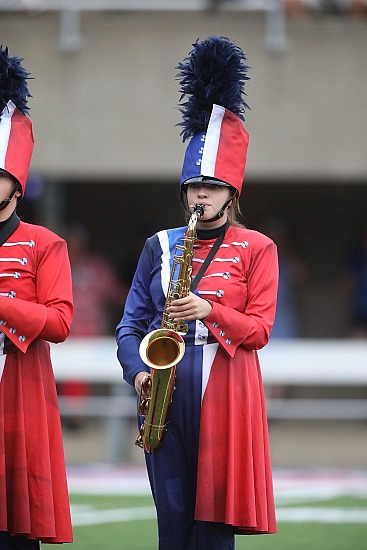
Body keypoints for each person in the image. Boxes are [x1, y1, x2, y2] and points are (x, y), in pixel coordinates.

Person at [116, 36, 278, 549]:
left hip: (225, 393)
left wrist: (210, 309)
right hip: (165, 393)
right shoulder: (159, 246)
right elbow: (130, 325)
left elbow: (260, 329)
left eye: (211, 186)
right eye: (193, 186)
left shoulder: (258, 247)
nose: (201, 195)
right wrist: (139, 372)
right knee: (172, 523)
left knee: (211, 531)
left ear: (232, 192)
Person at [0, 47, 73, 547]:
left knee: (16, 529)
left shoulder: (45, 243)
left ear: (15, 184)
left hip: (19, 394)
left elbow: (60, 323)